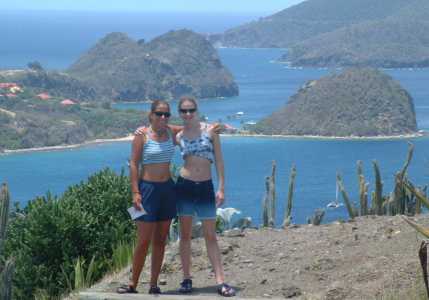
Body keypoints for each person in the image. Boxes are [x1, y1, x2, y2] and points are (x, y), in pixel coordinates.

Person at [175, 96, 236, 297]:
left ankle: (221, 281)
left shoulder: (211, 131)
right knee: (185, 236)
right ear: (180, 113)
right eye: (183, 111)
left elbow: (219, 160)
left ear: (197, 110)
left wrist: (222, 188)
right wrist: (142, 131)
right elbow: (157, 130)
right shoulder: (179, 136)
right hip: (184, 186)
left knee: (211, 236)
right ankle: (186, 279)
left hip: (205, 187)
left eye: (191, 110)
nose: (188, 114)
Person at [117, 100, 177, 294]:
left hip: (168, 190)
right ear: (151, 114)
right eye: (159, 114)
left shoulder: (171, 132)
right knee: (143, 240)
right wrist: (135, 191)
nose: (163, 118)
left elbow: (193, 127)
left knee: (160, 240)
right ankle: (133, 284)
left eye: (167, 114)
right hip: (146, 191)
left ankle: (153, 285)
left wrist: (212, 128)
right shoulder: (141, 136)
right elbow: (133, 164)